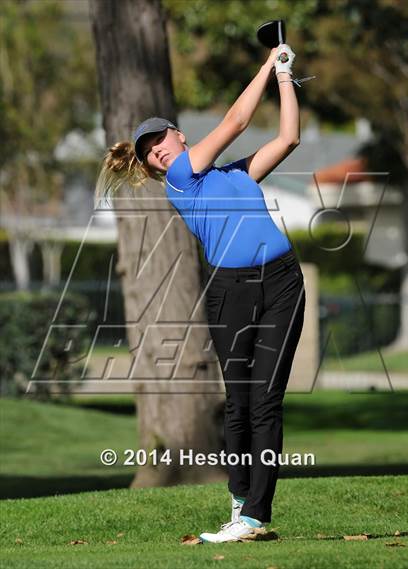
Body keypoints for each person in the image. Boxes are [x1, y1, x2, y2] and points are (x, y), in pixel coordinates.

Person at [95, 42, 305, 543]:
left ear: (179, 135)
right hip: (230, 293)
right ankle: (240, 499)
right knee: (239, 404)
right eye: (148, 151)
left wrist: (285, 75)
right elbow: (234, 121)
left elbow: (290, 137)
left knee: (266, 401)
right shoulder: (183, 181)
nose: (156, 150)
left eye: (160, 139)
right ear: (150, 165)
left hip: (281, 282)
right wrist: (265, 63)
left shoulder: (234, 174)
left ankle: (254, 516)